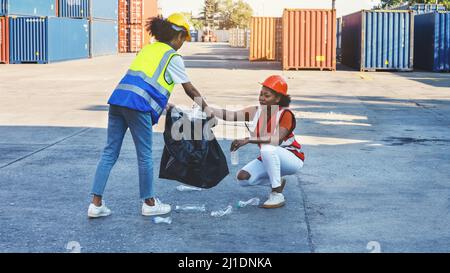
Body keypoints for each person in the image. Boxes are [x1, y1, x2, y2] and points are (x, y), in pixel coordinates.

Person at [88, 13, 212, 218]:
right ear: (179, 36)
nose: (183, 44)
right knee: (144, 155)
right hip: (138, 107)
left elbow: (145, 82)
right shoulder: (172, 56)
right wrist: (207, 111)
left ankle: (95, 204)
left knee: (110, 152)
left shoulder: (147, 49)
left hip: (119, 100)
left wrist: (165, 104)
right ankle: (149, 202)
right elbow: (190, 90)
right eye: (184, 39)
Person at [209, 75, 305, 208]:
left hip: (292, 158)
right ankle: (276, 181)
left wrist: (248, 140)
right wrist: (206, 108)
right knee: (242, 178)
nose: (262, 98)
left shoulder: (285, 114)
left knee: (267, 147)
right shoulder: (256, 111)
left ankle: (277, 194)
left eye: (267, 95)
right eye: (261, 94)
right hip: (271, 156)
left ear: (278, 98)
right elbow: (230, 115)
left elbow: (276, 139)